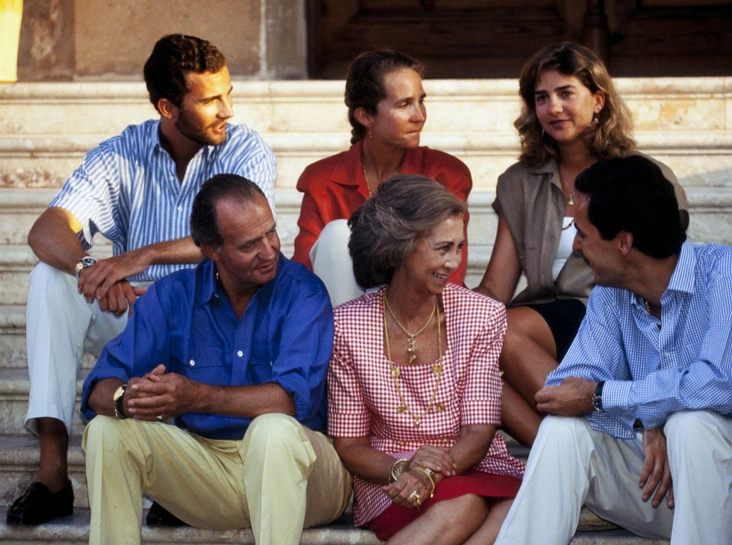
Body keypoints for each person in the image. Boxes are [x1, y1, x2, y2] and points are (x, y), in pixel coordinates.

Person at [7, 34, 277, 525]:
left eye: (228, 93)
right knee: (51, 279)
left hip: (210, 313)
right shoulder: (122, 152)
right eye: (210, 100)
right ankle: (53, 472)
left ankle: (187, 483)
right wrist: (91, 270)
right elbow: (46, 229)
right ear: (168, 107)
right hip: (137, 312)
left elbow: (243, 237)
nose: (228, 110)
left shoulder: (244, 149)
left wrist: (140, 256)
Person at [80, 174, 351, 545]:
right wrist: (127, 399)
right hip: (211, 469)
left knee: (272, 431)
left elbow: (289, 400)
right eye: (250, 244)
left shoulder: (302, 291)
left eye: (271, 232)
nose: (269, 250)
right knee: (106, 430)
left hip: (304, 471)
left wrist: (195, 396)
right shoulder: (174, 295)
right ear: (210, 250)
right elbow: (100, 384)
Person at [494, 155, 732, 545]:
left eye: (583, 234)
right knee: (564, 429)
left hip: (722, 487)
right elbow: (565, 390)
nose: (576, 247)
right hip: (660, 488)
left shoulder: (723, 274)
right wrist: (649, 418)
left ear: (623, 242)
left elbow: (718, 384)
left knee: (692, 425)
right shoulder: (610, 294)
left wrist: (619, 399)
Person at [473, 41, 689, 447]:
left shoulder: (640, 177)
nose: (553, 108)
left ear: (598, 100)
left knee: (500, 330)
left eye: (566, 93)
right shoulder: (518, 182)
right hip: (543, 320)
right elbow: (495, 289)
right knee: (475, 363)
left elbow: (668, 271)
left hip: (613, 316)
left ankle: (596, 445)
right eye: (541, 97)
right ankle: (571, 454)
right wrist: (439, 314)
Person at [328, 175, 525, 545]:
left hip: (473, 461)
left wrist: (429, 474)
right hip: (391, 476)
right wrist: (405, 470)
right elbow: (350, 446)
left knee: (519, 509)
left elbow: (479, 431)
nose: (454, 262)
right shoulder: (347, 326)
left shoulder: (481, 315)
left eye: (460, 247)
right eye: (442, 248)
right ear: (400, 247)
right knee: (466, 505)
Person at [292, 49, 472, 306]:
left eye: (421, 101)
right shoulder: (323, 179)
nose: (419, 116)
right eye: (404, 105)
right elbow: (304, 274)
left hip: (425, 309)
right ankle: (349, 334)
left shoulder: (444, 174)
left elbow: (450, 266)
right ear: (365, 116)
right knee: (337, 235)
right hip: (346, 310)